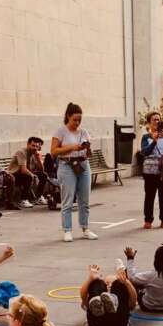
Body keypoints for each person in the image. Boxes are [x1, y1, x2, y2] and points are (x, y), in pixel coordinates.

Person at [52, 103, 99, 242]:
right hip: (67, 165)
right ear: (68, 116)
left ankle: (85, 228)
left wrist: (87, 148)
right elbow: (53, 151)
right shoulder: (60, 131)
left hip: (83, 164)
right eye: (75, 120)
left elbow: (88, 152)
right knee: (67, 200)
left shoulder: (84, 132)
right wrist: (72, 147)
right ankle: (67, 230)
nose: (77, 123)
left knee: (85, 200)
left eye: (79, 120)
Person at [124, 243, 163, 312]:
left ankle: (130, 302)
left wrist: (130, 258)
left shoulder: (152, 275)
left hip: (149, 306)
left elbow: (132, 278)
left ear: (157, 260)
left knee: (131, 280)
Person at [139, 111, 163, 230]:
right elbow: (145, 152)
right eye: (154, 119)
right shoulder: (146, 137)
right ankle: (148, 220)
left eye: (158, 119)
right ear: (149, 123)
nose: (157, 122)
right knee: (149, 196)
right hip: (150, 171)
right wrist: (154, 141)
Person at [80, 262, 137, 326]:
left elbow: (133, 301)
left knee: (119, 284)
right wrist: (90, 279)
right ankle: (99, 306)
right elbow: (83, 297)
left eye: (112, 284)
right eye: (106, 284)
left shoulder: (121, 296)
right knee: (96, 282)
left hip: (118, 322)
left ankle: (112, 301)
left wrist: (126, 282)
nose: (109, 285)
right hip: (97, 323)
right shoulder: (99, 290)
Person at [9, 136, 48, 207]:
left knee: (43, 175)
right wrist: (33, 176)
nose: (35, 148)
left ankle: (39, 197)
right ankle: (23, 200)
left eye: (37, 146)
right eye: (33, 145)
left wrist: (38, 158)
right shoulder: (21, 152)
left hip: (25, 174)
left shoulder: (35, 154)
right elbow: (23, 170)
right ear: (28, 144)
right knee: (29, 176)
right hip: (14, 175)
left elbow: (42, 170)